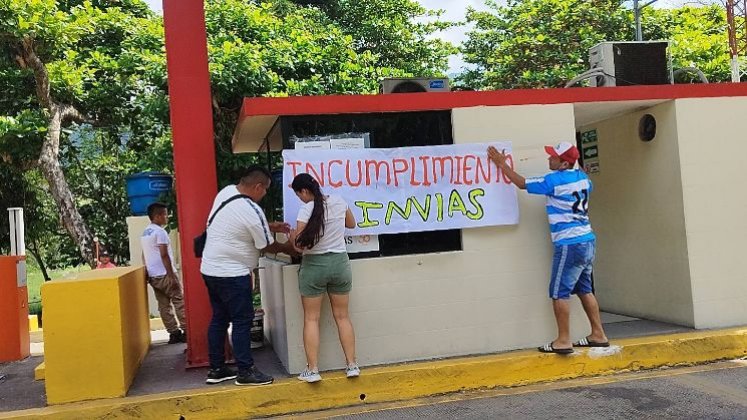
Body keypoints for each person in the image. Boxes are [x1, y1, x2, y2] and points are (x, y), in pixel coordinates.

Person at [488, 142, 609, 354]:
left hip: (569, 244)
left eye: (553, 157)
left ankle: (563, 340)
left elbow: (522, 183)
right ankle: (598, 334)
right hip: (587, 240)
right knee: (585, 289)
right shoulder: (583, 179)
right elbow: (577, 170)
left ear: (563, 164)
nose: (548, 159)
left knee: (559, 292)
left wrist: (501, 163)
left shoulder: (553, 181)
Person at [200, 165, 294, 386]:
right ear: (258, 186)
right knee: (242, 320)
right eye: (266, 190)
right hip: (232, 274)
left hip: (210, 269)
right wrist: (290, 248)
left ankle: (216, 369)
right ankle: (245, 371)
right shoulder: (252, 210)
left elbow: (237, 224)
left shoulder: (227, 193)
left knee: (219, 319)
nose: (265, 194)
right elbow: (267, 245)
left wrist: (271, 225)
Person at [290, 173, 359, 383]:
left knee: (312, 319)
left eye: (298, 195)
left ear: (303, 191)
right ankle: (352, 365)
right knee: (343, 316)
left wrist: (291, 236)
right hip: (340, 263)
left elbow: (299, 247)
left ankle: (313, 370)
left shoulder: (306, 209)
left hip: (314, 266)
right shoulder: (339, 201)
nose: (300, 199)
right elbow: (352, 224)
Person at [141, 202, 187, 344]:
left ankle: (173, 333)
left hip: (154, 276)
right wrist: (172, 275)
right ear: (158, 216)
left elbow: (144, 254)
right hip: (166, 273)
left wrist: (147, 271)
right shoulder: (161, 232)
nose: (167, 217)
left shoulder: (145, 233)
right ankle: (186, 330)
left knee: (163, 306)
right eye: (165, 214)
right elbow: (164, 255)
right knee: (179, 301)